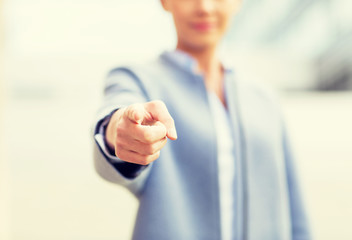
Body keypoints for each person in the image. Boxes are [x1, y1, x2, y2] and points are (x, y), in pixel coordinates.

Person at [92, 0, 311, 239]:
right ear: (165, 2)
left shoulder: (264, 99)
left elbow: (294, 211)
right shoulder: (137, 80)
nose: (205, 7)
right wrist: (119, 129)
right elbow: (116, 116)